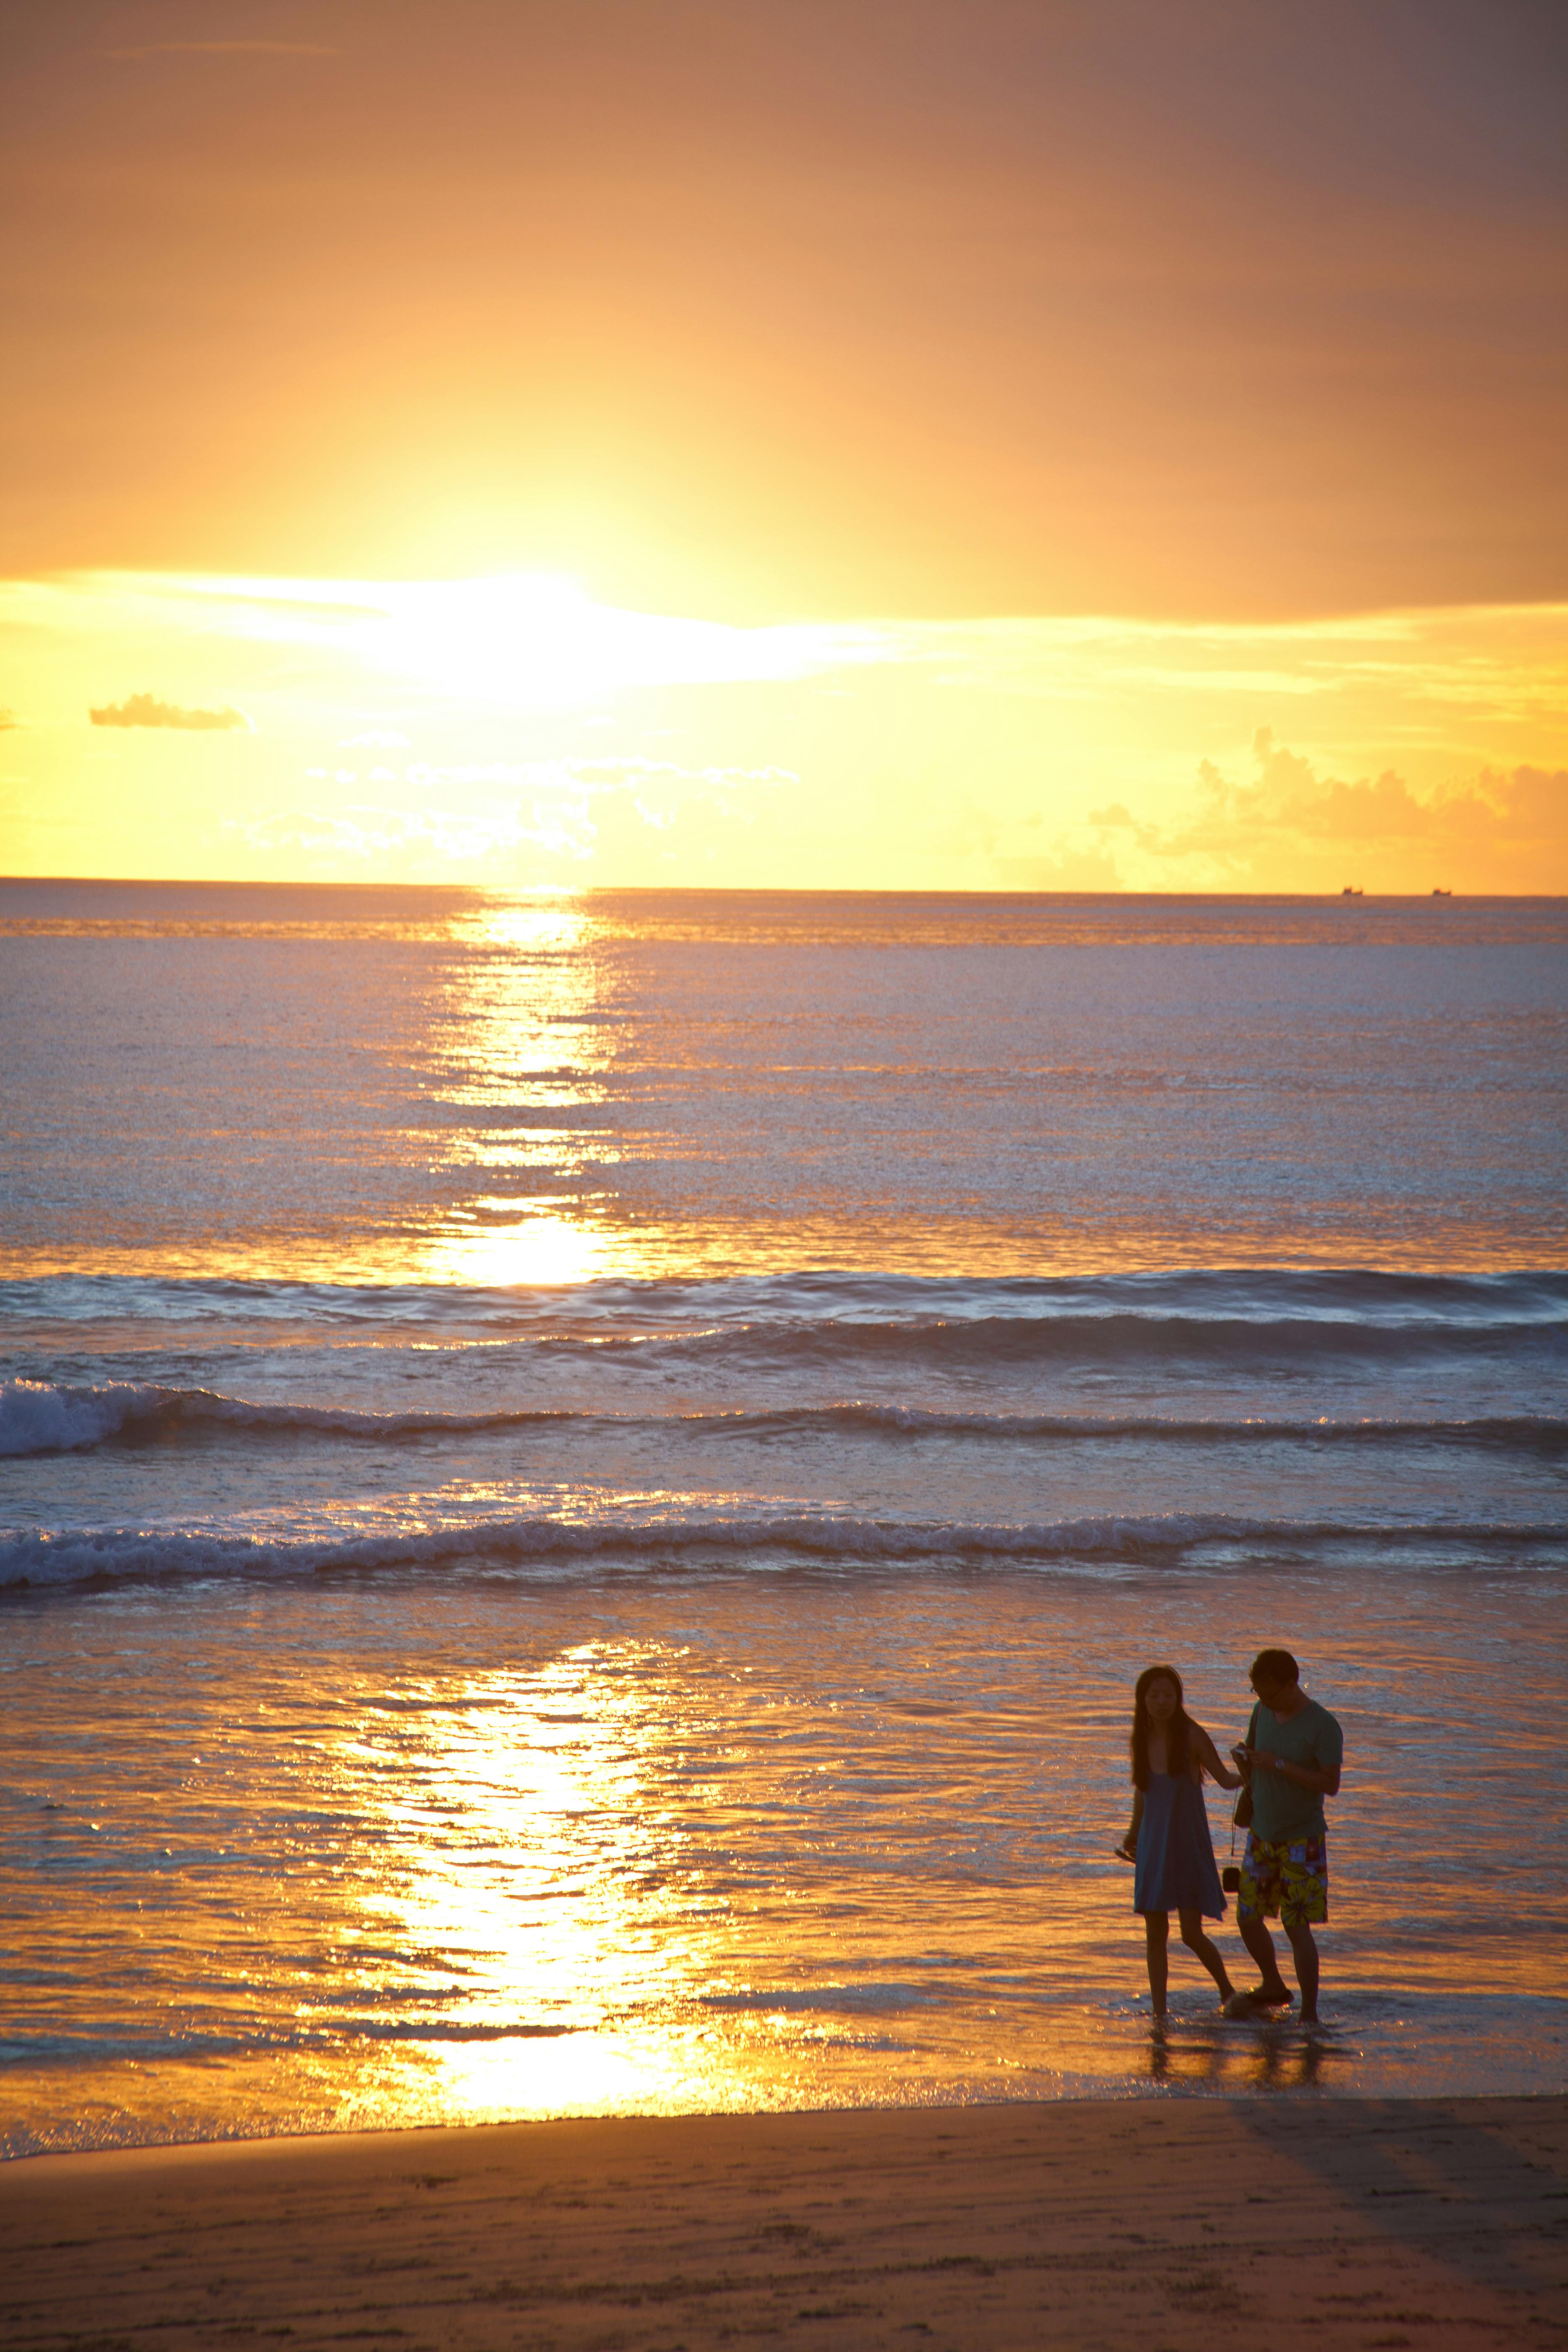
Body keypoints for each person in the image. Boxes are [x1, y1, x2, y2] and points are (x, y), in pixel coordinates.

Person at [1116, 1663, 1244, 2018]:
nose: (1162, 1702)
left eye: (1168, 1695)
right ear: (1142, 1699)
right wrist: (1132, 1832)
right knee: (1155, 1934)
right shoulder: (1140, 1737)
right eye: (1154, 1695)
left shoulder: (1192, 1735)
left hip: (1187, 1845)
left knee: (1191, 1933)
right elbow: (1143, 1790)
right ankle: (1159, 2015)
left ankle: (1228, 1992)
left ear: (1179, 1698)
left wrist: (1250, 1770)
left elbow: (1225, 1778)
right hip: (1153, 1845)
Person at [1228, 1648, 1344, 2027]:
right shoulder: (1262, 1712)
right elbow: (1254, 1754)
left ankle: (1309, 2013)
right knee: (1248, 1916)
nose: (1262, 1700)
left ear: (1292, 1685)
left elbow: (1331, 1784)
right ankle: (1273, 1985)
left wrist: (1279, 1765)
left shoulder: (1323, 1726)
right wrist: (1246, 1761)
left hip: (1303, 1839)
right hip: (1262, 1833)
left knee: (1297, 1927)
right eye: (1257, 1693)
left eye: (1269, 1693)